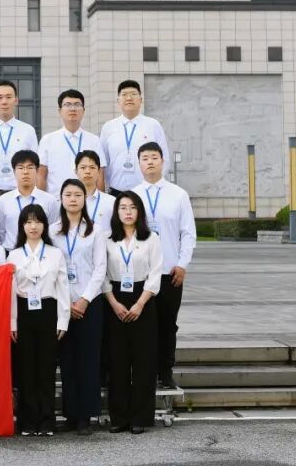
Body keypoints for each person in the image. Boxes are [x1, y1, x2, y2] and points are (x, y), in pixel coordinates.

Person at [130, 142, 196, 390]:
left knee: (168, 324)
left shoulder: (178, 195)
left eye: (154, 157)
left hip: (170, 272)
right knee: (142, 326)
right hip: (140, 274)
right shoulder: (132, 196)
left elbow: (188, 233)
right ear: (139, 163)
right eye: (145, 158)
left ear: (162, 161)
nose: (149, 162)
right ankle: (143, 371)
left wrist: (182, 264)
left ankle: (165, 372)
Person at [51, 178, 107, 436]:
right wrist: (67, 302)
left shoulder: (95, 231)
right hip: (61, 304)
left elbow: (100, 269)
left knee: (88, 359)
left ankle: (86, 415)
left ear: (85, 199)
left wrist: (84, 299)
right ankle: (71, 414)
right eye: (68, 195)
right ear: (61, 199)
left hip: (90, 303)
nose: (73, 199)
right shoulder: (53, 231)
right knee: (67, 360)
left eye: (77, 195)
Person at [103, 191, 163, 434]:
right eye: (123, 207)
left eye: (132, 207)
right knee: (117, 360)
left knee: (143, 361)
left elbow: (156, 274)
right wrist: (114, 303)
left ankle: (140, 417)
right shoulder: (108, 240)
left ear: (140, 211)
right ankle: (119, 417)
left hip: (143, 299)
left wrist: (139, 304)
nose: (127, 212)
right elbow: (102, 274)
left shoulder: (151, 239)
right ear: (116, 212)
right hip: (115, 299)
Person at [7, 204, 69, 437]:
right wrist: (12, 322)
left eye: (37, 221)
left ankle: (46, 421)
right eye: (28, 222)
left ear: (44, 225)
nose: (33, 226)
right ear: (22, 226)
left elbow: (63, 287)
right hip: (24, 311)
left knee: (46, 367)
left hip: (48, 310)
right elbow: (10, 292)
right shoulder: (14, 255)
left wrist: (63, 320)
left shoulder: (55, 253)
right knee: (26, 368)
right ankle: (28, 421)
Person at [100, 80, 171, 196]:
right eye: (124, 94)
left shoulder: (153, 125)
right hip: (116, 192)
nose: (129, 98)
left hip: (147, 192)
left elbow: (164, 159)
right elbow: (103, 161)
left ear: (141, 99)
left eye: (133, 94)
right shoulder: (108, 127)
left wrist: (154, 184)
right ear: (118, 101)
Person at [37, 89, 104, 195]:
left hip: (87, 199)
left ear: (83, 110)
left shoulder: (94, 140)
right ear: (60, 111)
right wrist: (41, 201)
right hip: (56, 199)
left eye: (77, 105)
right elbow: (41, 176)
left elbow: (100, 176)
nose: (72, 109)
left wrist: (99, 201)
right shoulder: (47, 140)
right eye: (67, 105)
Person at [0, 151, 59, 247]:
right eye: (20, 168)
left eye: (30, 167)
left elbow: (52, 230)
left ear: (37, 170)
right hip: (11, 251)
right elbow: (1, 233)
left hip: (41, 252)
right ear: (14, 171)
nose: (25, 172)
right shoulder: (3, 200)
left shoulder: (49, 200)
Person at [75, 150, 114, 232]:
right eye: (83, 167)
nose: (87, 171)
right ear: (76, 171)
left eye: (92, 167)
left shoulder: (111, 202)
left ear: (99, 171)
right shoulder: (67, 201)